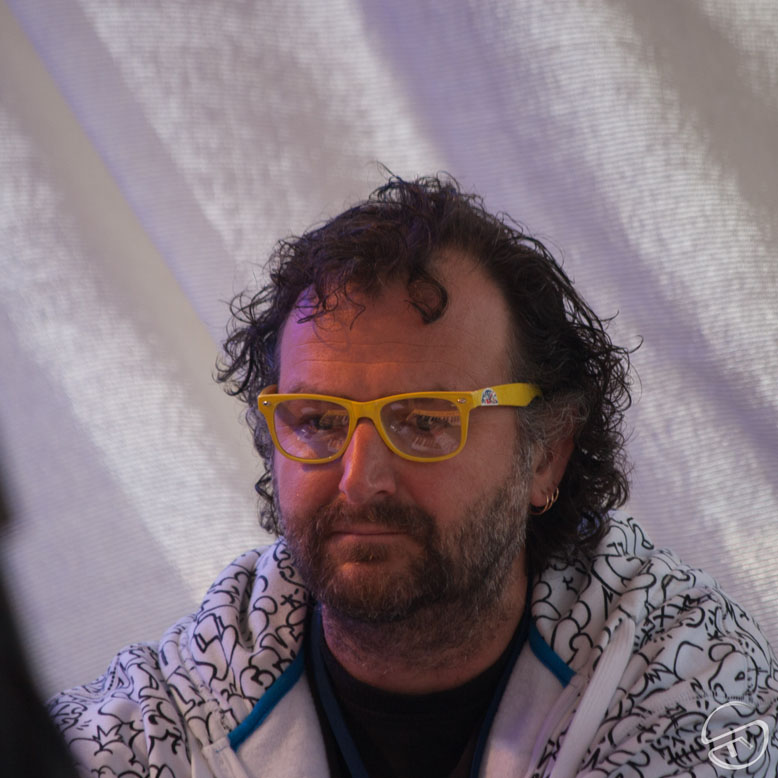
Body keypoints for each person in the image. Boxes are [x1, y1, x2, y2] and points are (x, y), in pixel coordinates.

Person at [49, 175, 778, 777]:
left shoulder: (689, 671)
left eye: (425, 421)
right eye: (318, 421)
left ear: (547, 453)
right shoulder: (179, 702)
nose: (359, 479)